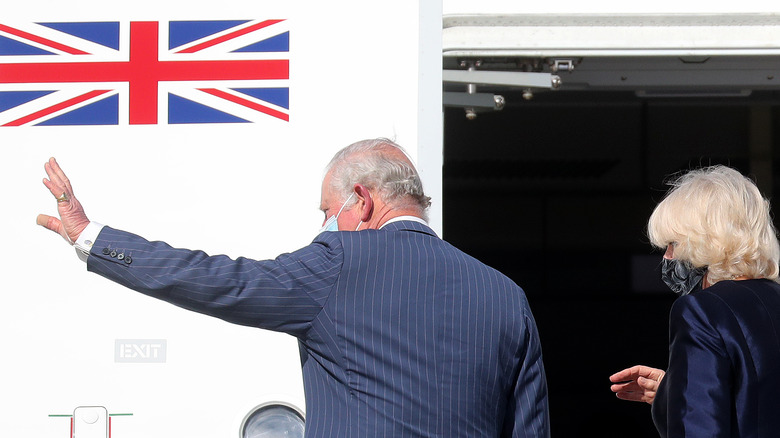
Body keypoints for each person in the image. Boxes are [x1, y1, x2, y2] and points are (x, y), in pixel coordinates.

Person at [38, 138, 550, 438]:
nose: (325, 224)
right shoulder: (505, 294)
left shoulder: (338, 262)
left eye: (327, 212)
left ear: (361, 201)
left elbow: (217, 280)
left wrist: (92, 238)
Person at [609, 165, 780, 437]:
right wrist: (675, 391)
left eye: (672, 243)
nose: (666, 257)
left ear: (703, 244)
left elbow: (698, 428)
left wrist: (685, 398)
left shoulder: (702, 311)